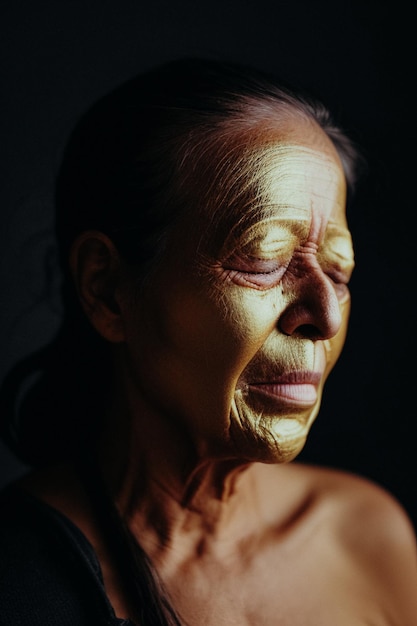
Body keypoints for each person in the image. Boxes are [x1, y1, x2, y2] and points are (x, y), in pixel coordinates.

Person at [0, 57, 416, 626]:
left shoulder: (368, 535)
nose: (325, 317)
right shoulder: (20, 582)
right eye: (264, 260)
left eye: (338, 273)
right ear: (108, 290)